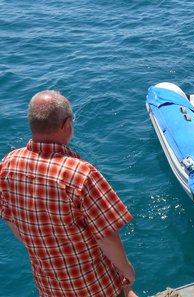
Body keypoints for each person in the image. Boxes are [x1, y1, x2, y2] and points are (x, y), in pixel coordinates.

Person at [0, 90, 137, 297]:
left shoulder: (9, 164)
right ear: (66, 125)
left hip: (49, 286)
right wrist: (127, 271)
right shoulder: (80, 174)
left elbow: (11, 219)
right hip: (95, 287)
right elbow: (106, 238)